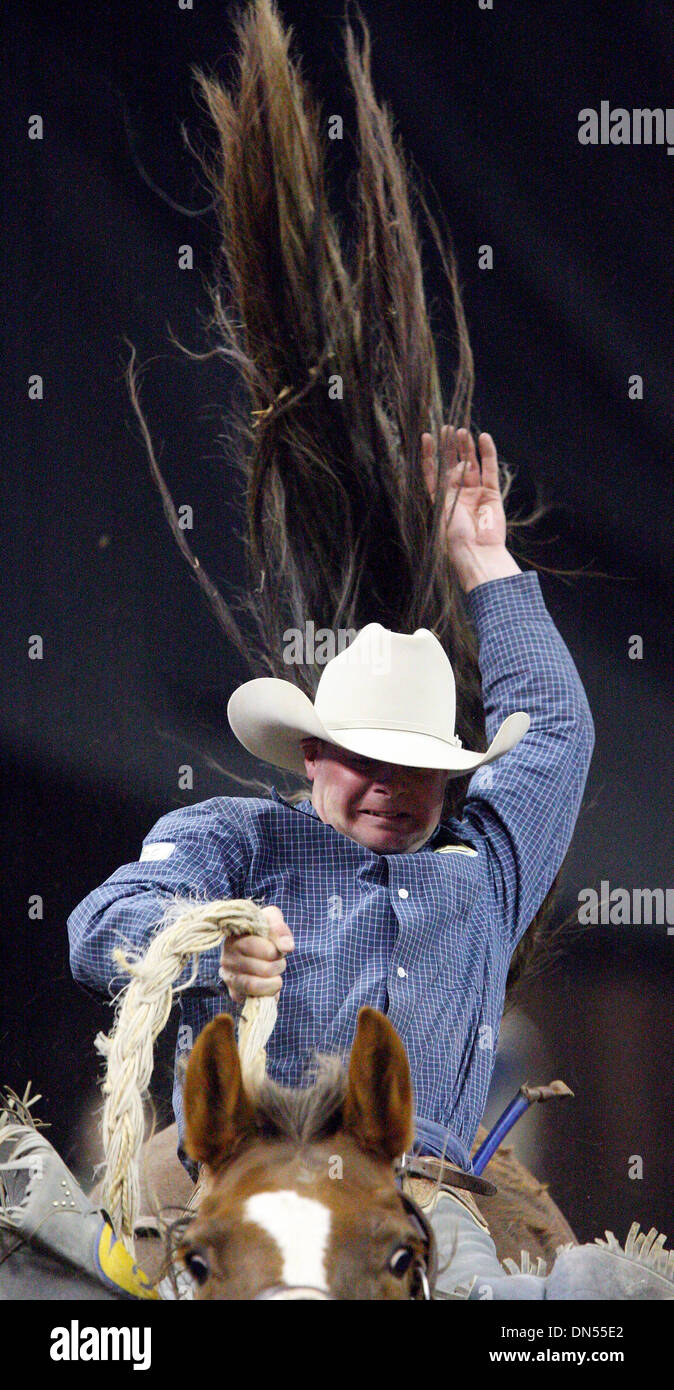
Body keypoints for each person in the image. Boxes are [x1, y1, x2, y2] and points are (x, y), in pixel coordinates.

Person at [68, 425, 596, 1297]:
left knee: (574, 1309)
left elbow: (557, 732)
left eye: (416, 769)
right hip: (226, 1166)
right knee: (82, 1291)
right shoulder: (235, 839)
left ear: (448, 776)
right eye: (365, 762)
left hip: (420, 1182)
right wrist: (208, 947)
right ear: (311, 755)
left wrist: (486, 564)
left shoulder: (485, 869)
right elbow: (97, 930)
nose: (392, 788)